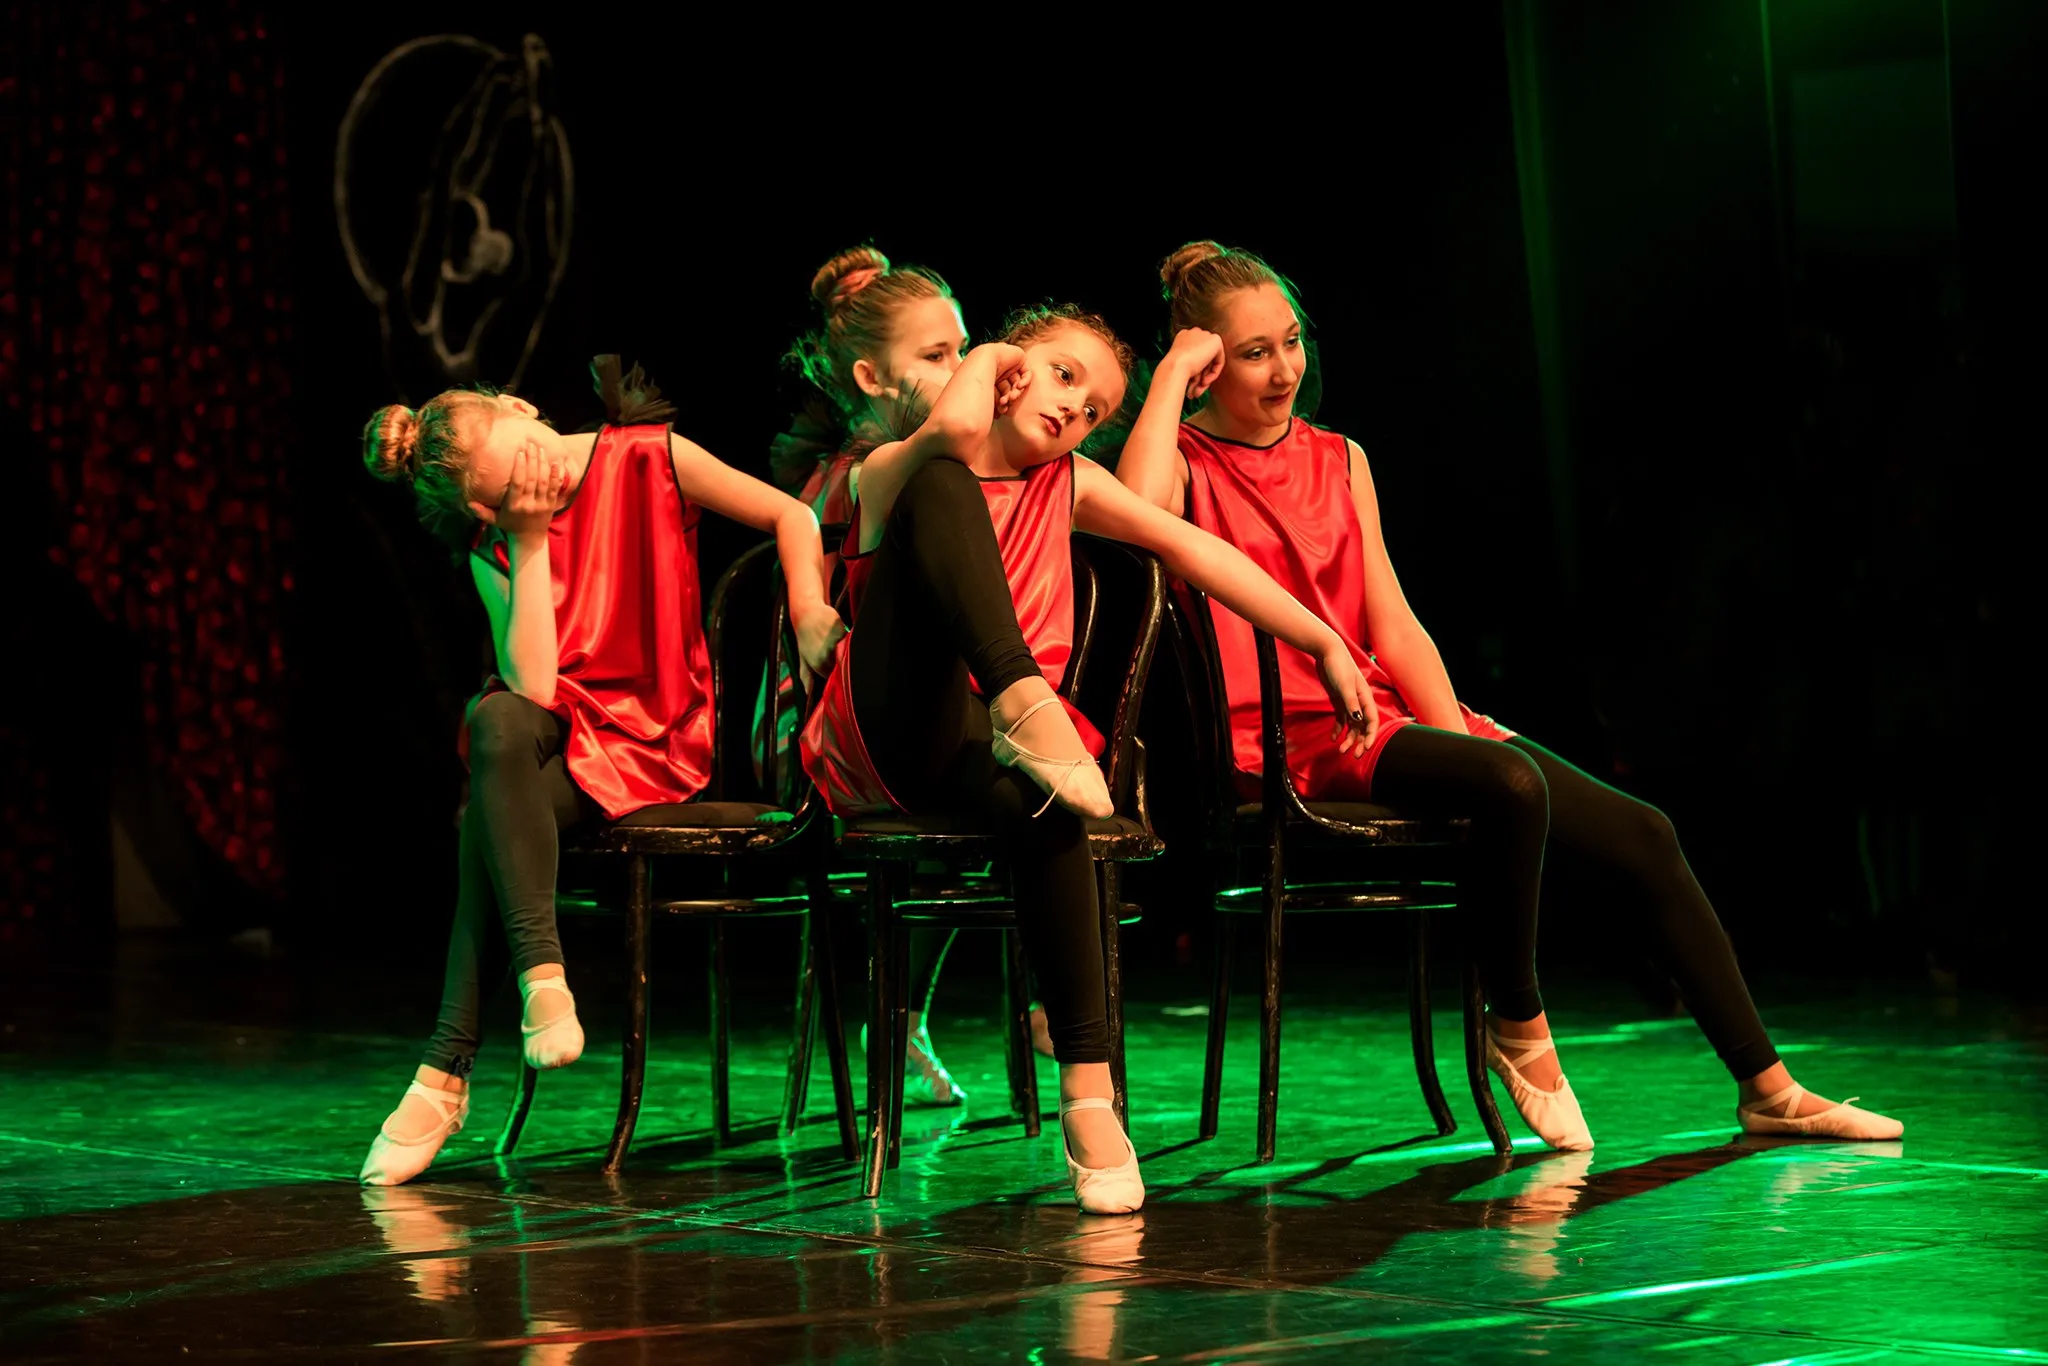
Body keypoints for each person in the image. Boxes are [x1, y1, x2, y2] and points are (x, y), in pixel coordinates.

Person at [1115, 241, 1902, 1147]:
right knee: (1512, 787)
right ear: (1206, 361)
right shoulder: (1182, 460)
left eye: (1291, 341)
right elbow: (1136, 521)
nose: (1286, 368)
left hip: (1380, 717)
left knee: (1644, 834)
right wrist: (1168, 377)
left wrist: (1452, 735)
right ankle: (1517, 1022)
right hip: (1288, 739)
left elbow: (1394, 623)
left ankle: (1769, 1089)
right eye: (1255, 353)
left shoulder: (1340, 457)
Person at [801, 303, 1380, 1211]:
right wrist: (993, 354)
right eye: (1063, 376)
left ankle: (1088, 1091)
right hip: (890, 734)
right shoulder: (893, 468)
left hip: (997, 749)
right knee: (944, 485)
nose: (1076, 409)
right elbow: (953, 431)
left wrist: (1322, 639)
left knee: (1052, 803)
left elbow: (1193, 548)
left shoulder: (1068, 482)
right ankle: (1019, 691)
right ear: (1006, 369)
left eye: (1096, 409)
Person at [357, 357, 845, 1185]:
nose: (538, 481)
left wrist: (806, 610)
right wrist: (528, 538)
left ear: (523, 406)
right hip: (559, 741)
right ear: (486, 508)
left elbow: (791, 515)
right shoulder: (496, 544)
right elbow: (536, 686)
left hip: (655, 739)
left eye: (529, 458)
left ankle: (445, 1070)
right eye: (512, 490)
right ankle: (541, 978)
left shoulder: (648, 456)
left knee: (486, 820)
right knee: (496, 718)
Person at [768, 246, 977, 1105]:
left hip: (918, 713)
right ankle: (899, 1015)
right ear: (868, 373)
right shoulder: (863, 471)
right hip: (837, 729)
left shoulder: (940, 460)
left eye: (963, 349)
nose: (961, 370)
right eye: (937, 355)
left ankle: (920, 1014)